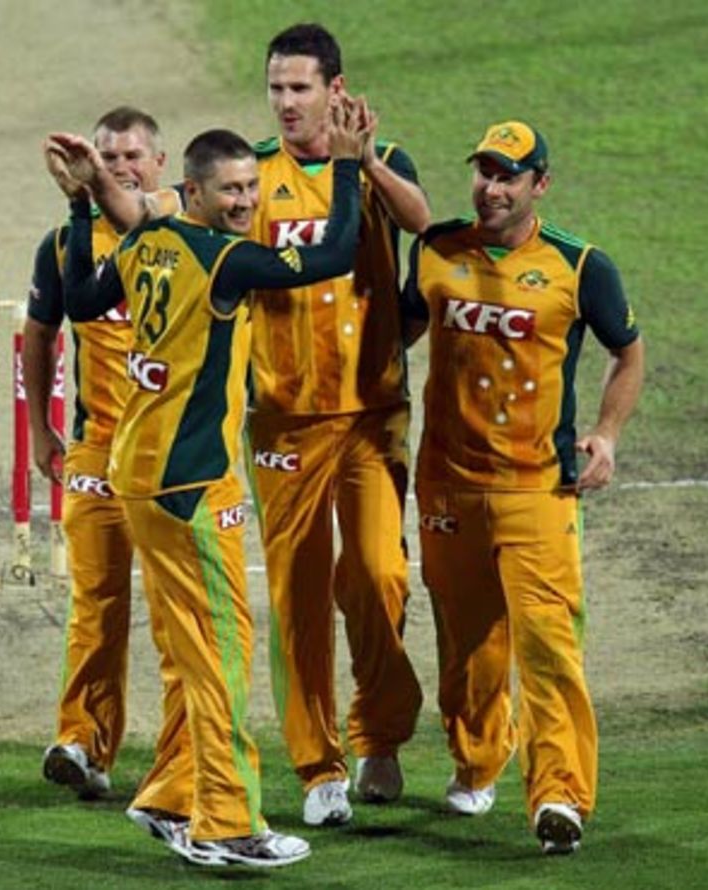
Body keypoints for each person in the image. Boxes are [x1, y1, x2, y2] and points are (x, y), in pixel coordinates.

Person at [45, 102, 367, 867]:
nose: (247, 203)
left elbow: (83, 300)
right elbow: (338, 253)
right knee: (222, 656)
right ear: (190, 191)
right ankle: (225, 825)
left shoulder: (150, 239)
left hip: (137, 476)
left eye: (252, 189)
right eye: (230, 191)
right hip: (192, 488)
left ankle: (166, 795)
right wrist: (349, 165)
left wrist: (80, 200)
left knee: (196, 649)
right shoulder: (226, 260)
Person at [401, 120, 645, 855]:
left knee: (549, 648)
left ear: (540, 184)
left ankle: (560, 796)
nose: (491, 188)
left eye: (508, 176)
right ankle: (478, 761)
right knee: (468, 648)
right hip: (446, 485)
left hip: (537, 491)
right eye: (483, 172)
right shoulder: (438, 250)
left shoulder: (581, 266)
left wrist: (605, 432)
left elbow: (627, 353)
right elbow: (391, 337)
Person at [246, 22, 428, 827]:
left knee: (380, 577)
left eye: (300, 88)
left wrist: (362, 165)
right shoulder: (249, 176)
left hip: (372, 417)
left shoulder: (385, 166)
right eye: (277, 88)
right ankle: (318, 767)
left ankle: (378, 737)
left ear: (336, 90)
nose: (286, 103)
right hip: (282, 424)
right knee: (298, 599)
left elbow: (423, 226)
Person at [21, 106, 181, 799]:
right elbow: (40, 333)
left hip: (176, 460)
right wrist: (39, 428)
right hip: (97, 451)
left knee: (179, 618)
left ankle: (187, 758)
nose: (119, 167)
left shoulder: (185, 232)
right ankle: (83, 742)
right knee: (95, 602)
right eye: (108, 157)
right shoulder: (63, 245)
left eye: (131, 157)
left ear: (159, 166)